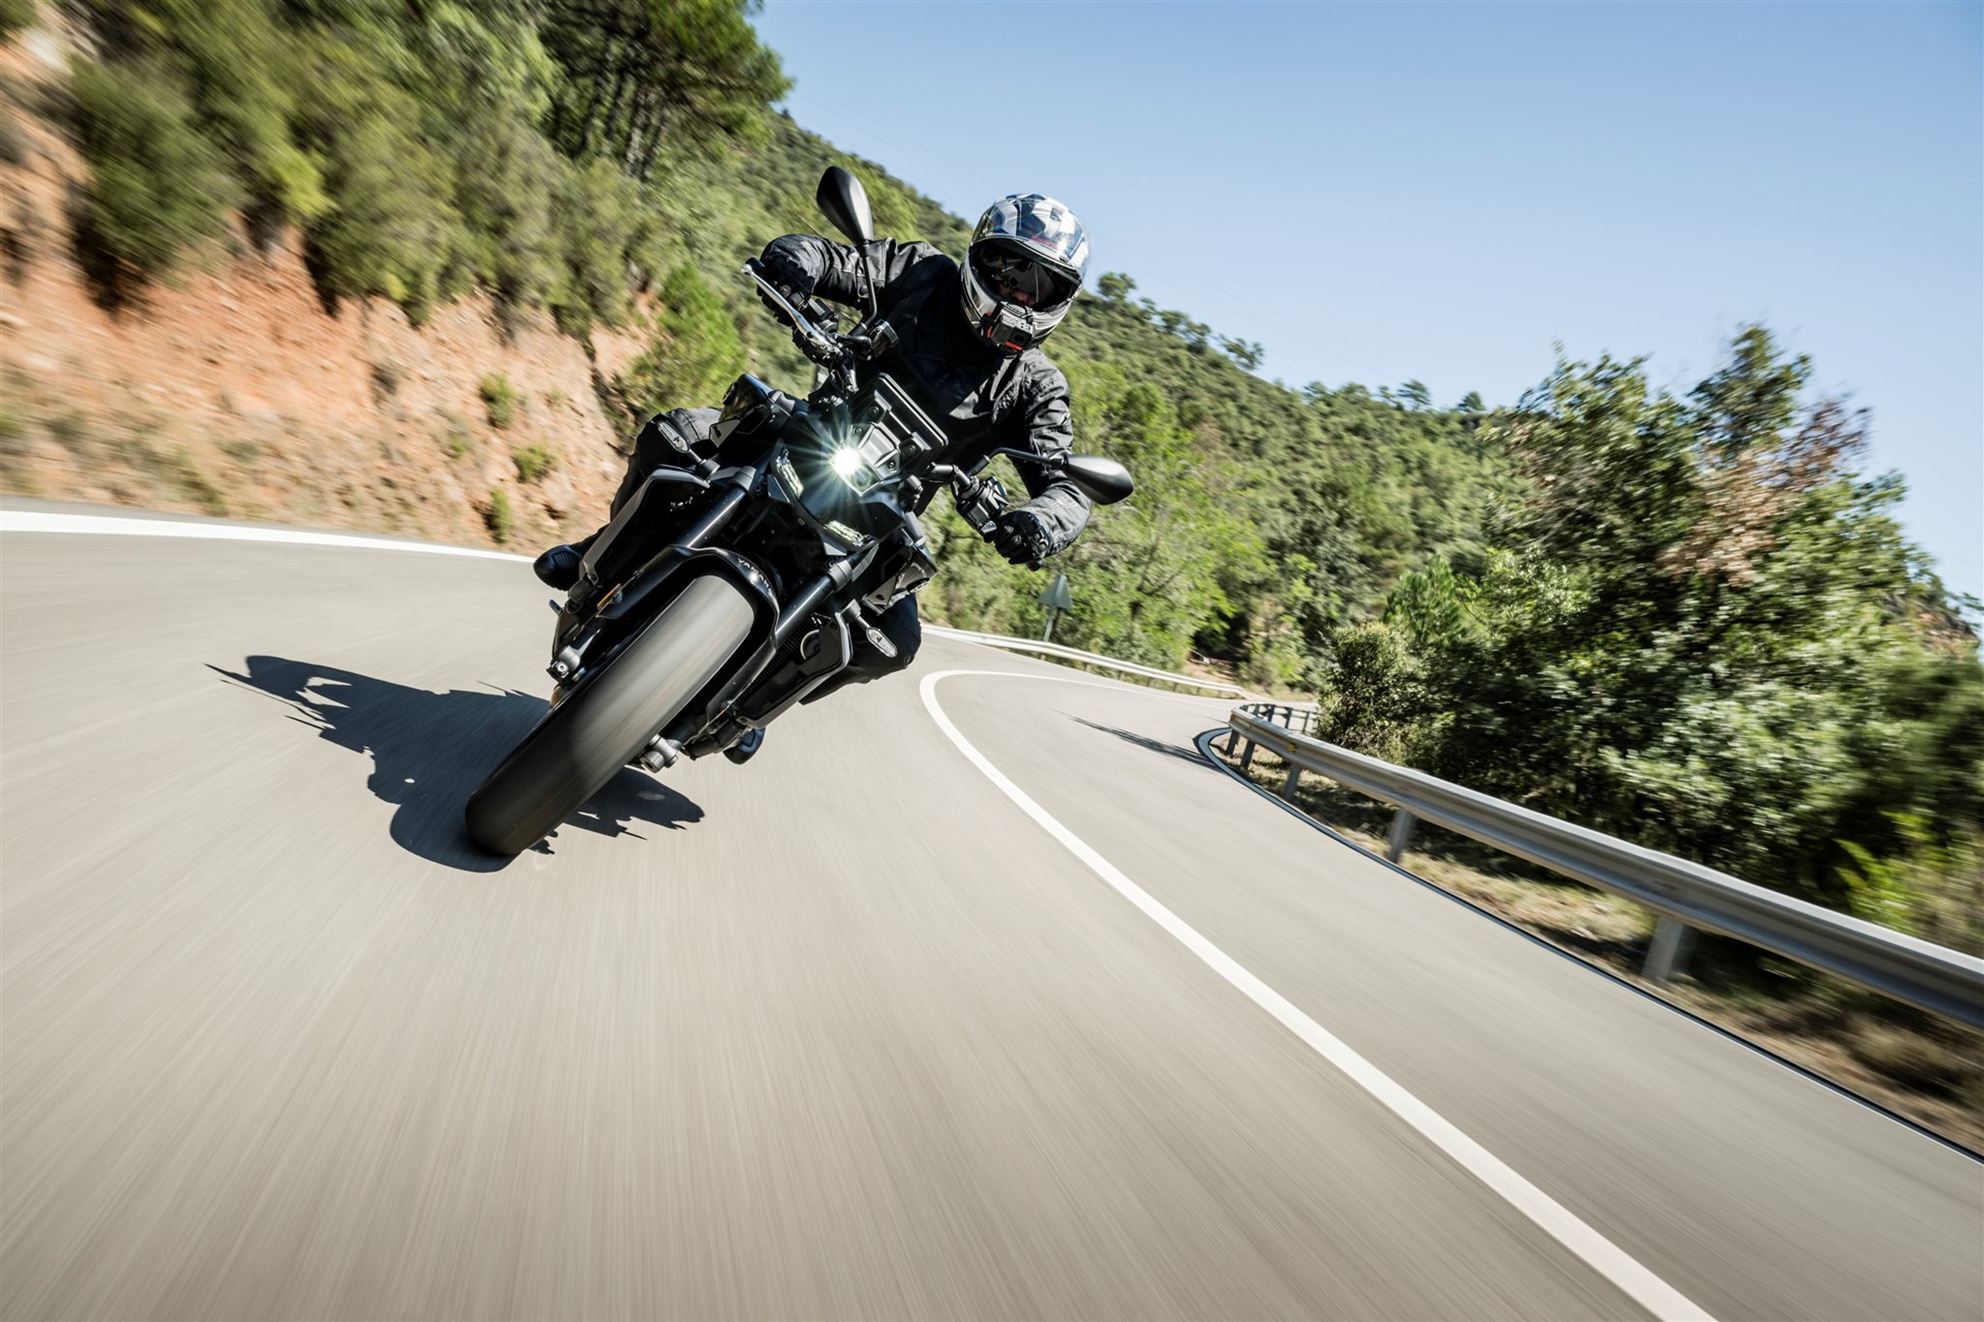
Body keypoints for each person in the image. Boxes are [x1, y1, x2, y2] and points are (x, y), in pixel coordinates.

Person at [532, 193, 1096, 746]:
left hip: (887, 507)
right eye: (1009, 270)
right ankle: (600, 551)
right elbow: (837, 261)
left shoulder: (1036, 388)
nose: (1019, 291)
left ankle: (751, 704)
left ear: (1060, 300)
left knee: (893, 641)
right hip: (812, 435)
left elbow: (1065, 479)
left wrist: (1041, 520)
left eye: (1042, 285)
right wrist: (795, 265)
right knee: (677, 436)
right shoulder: (923, 273)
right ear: (980, 257)